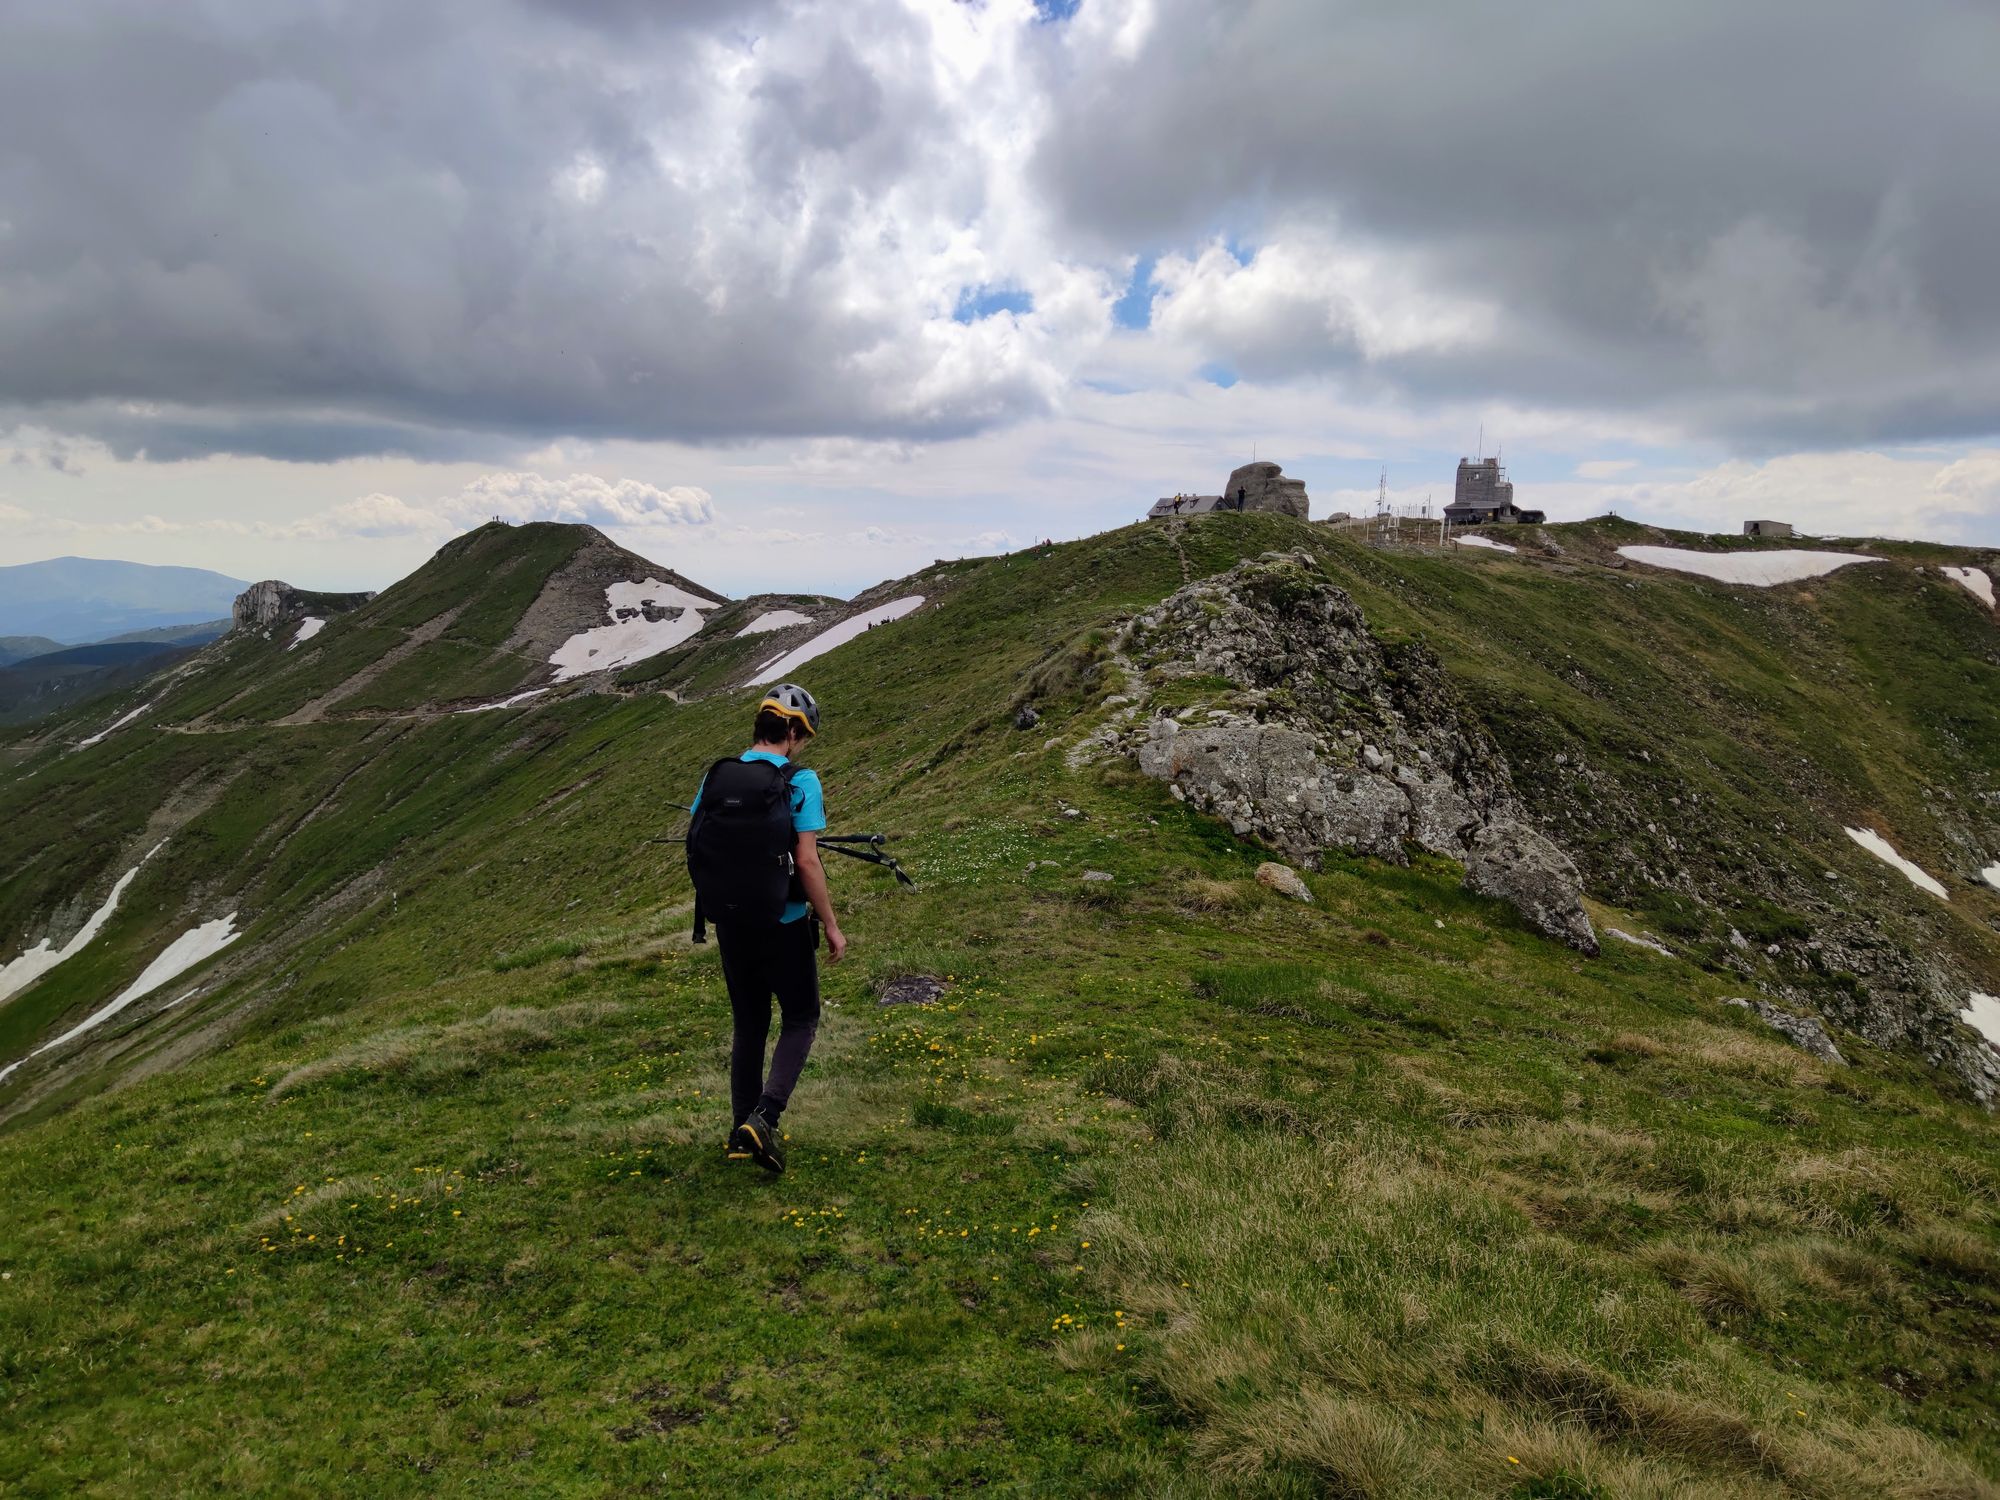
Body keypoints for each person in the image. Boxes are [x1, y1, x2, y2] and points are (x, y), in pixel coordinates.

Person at [687, 683, 847, 1174]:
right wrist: (832, 924)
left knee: (749, 1025)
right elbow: (807, 860)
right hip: (784, 922)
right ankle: (765, 1116)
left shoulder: (718, 776)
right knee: (800, 1018)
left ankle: (740, 1132)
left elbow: (697, 840)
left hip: (732, 922)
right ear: (793, 733)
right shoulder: (802, 781)